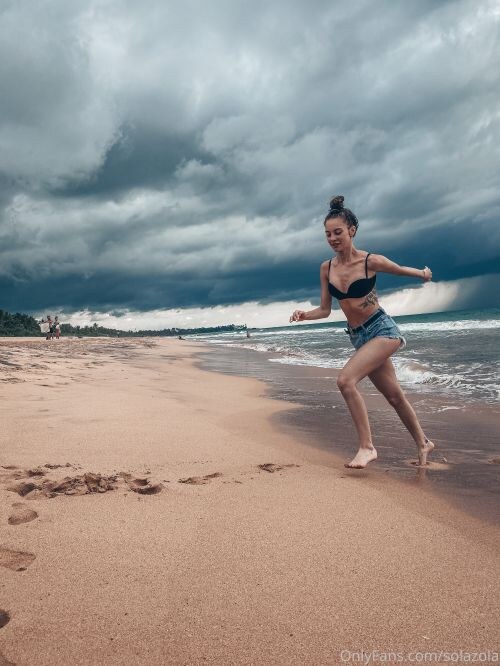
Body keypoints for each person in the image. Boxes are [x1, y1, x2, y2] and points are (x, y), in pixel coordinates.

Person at [290, 195, 435, 469]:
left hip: (383, 330)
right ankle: (423, 442)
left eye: (338, 232)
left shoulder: (370, 261)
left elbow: (400, 270)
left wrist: (423, 274)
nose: (332, 238)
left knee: (345, 381)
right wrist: (304, 315)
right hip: (359, 337)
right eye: (327, 234)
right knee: (394, 396)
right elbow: (325, 309)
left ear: (352, 230)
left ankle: (367, 447)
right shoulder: (326, 268)